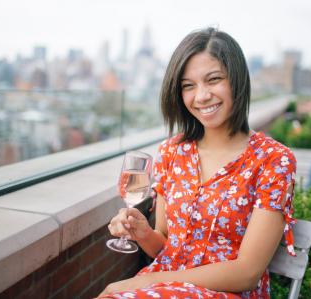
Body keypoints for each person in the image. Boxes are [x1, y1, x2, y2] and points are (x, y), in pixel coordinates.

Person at [98, 28, 296, 299]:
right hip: (165, 288)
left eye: (213, 80)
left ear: (237, 81)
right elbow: (167, 248)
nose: (201, 96)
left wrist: (142, 283)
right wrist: (144, 233)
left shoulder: (274, 160)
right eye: (188, 86)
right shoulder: (171, 152)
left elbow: (247, 273)